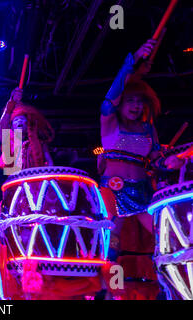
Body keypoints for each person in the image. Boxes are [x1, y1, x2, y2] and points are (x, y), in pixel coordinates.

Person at [99, 39, 185, 299]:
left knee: (163, 239)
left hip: (143, 192)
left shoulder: (148, 129)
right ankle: (110, 293)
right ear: (121, 103)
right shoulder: (109, 123)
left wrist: (171, 162)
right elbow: (108, 99)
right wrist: (131, 63)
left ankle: (167, 287)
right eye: (130, 101)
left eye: (139, 101)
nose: (136, 106)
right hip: (113, 193)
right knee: (111, 246)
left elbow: (157, 160)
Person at [0, 87, 54, 174]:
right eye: (16, 120)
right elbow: (3, 125)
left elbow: (50, 162)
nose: (19, 121)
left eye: (21, 119)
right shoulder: (10, 143)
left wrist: (49, 176)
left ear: (28, 124)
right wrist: (11, 102)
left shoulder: (40, 143)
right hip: (18, 180)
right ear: (12, 126)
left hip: (37, 178)